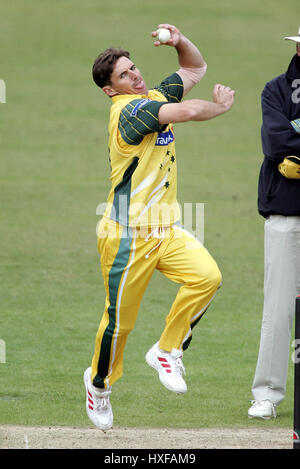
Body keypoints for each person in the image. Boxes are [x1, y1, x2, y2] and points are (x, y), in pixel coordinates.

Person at [84, 24, 235, 431]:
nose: (134, 75)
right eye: (123, 75)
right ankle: (99, 384)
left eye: (133, 68)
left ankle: (168, 350)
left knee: (207, 278)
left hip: (166, 230)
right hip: (127, 237)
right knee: (120, 322)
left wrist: (180, 40)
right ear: (110, 90)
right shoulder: (129, 113)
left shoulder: (149, 96)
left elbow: (195, 68)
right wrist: (219, 109)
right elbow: (184, 111)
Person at [248, 27, 300, 420]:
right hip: (286, 213)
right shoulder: (276, 90)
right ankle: (266, 394)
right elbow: (276, 140)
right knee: (279, 308)